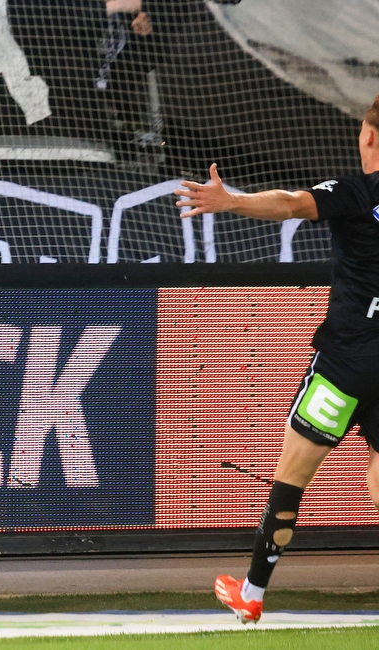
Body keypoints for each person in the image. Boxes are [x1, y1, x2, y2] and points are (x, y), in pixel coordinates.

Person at [173, 95, 379, 623]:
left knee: (291, 481)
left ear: (369, 138)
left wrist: (231, 201)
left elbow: (290, 203)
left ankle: (253, 594)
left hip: (344, 364)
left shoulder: (358, 191)